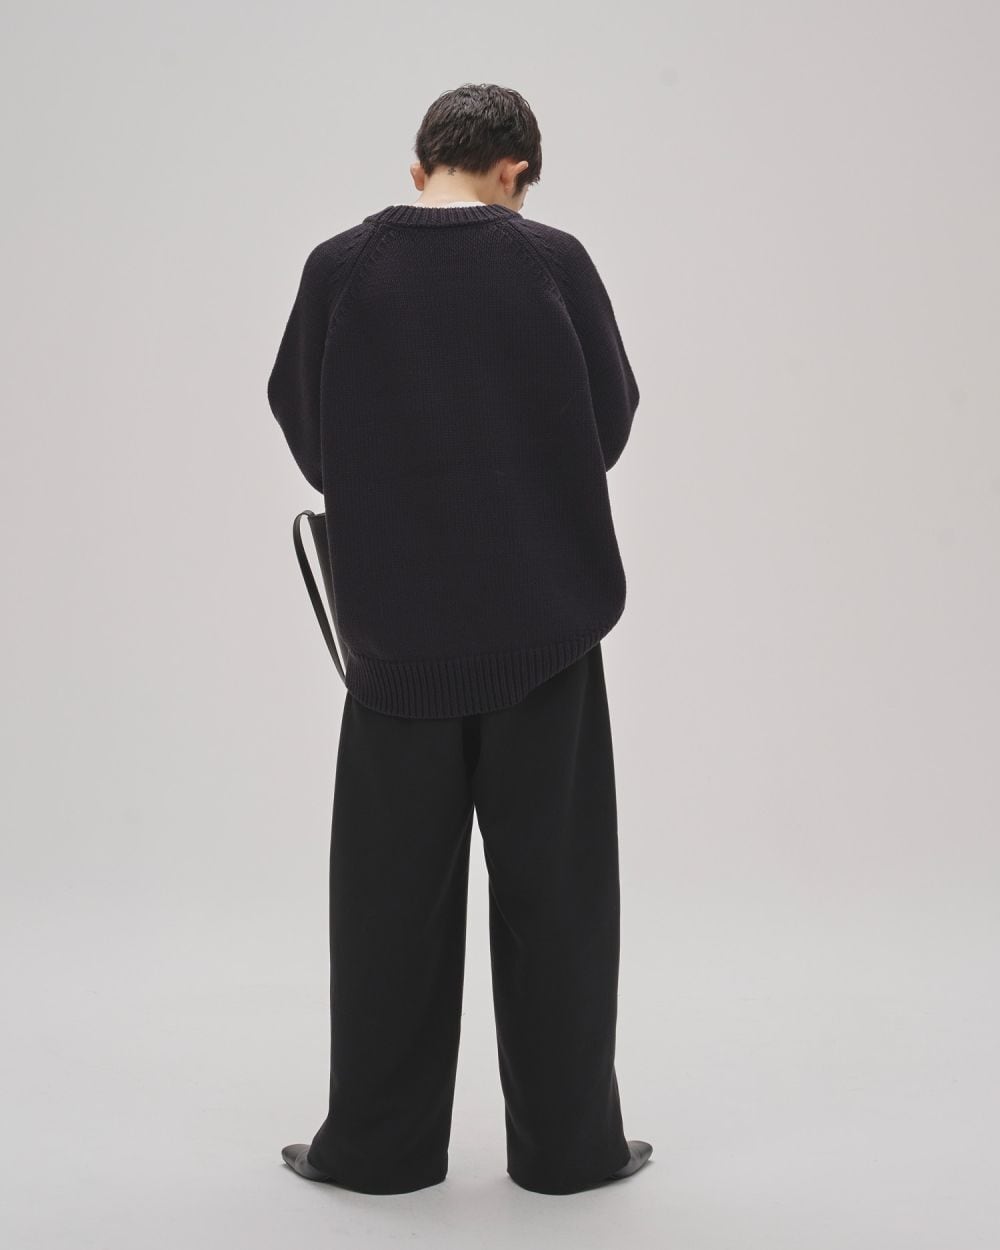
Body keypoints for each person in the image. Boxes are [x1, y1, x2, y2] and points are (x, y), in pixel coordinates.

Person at [266, 82, 651, 1196]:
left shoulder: (341, 268)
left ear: (418, 164)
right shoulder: (551, 261)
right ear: (516, 170)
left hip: (394, 645)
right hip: (547, 634)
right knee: (559, 907)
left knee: (388, 910)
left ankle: (378, 1150)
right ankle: (570, 1151)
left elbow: (305, 424)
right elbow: (610, 419)